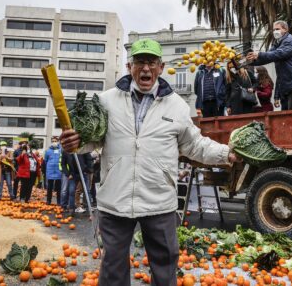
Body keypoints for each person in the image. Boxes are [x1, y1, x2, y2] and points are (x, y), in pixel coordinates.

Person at [60, 38, 239, 286]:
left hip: (159, 201)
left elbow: (194, 145)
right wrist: (76, 143)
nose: (146, 68)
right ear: (129, 66)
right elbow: (91, 140)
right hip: (115, 200)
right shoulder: (106, 101)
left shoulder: (177, 105)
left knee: (165, 267)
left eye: (151, 62)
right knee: (112, 267)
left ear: (161, 67)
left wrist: (225, 154)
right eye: (140, 62)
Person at [246, 20, 292, 110]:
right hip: (287, 87)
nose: (274, 32)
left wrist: (259, 54)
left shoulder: (290, 40)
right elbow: (269, 56)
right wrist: (251, 61)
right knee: (287, 118)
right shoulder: (278, 43)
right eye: (273, 30)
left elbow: (279, 54)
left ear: (285, 29)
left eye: (277, 29)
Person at [44, 137, 62, 205]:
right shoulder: (48, 151)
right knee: (49, 187)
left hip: (58, 171)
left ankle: (59, 201)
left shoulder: (61, 150)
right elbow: (45, 160)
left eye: (55, 141)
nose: (54, 142)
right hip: (50, 171)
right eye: (53, 141)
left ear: (58, 141)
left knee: (58, 188)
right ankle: (48, 200)